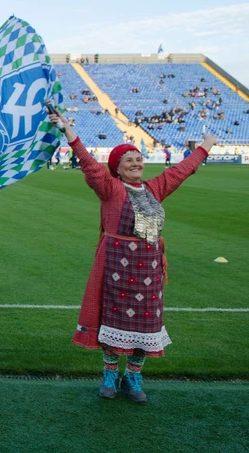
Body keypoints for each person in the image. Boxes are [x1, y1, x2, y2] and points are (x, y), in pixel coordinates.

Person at [50, 112, 216, 403]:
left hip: (148, 269)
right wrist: (70, 133)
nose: (136, 163)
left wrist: (205, 147)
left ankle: (134, 376)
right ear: (117, 168)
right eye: (128, 160)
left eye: (138, 158)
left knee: (145, 324)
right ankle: (111, 374)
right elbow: (90, 166)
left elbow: (181, 170)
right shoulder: (111, 189)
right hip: (116, 264)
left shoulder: (154, 188)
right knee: (113, 321)